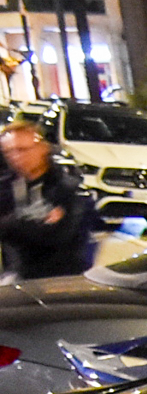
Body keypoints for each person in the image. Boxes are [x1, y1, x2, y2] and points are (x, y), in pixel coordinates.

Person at [0, 118, 95, 281]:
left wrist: (11, 224)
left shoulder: (67, 188)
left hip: (62, 279)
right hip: (19, 277)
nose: (16, 157)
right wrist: (33, 221)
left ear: (42, 148)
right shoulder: (6, 187)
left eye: (23, 149)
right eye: (10, 151)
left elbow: (59, 235)